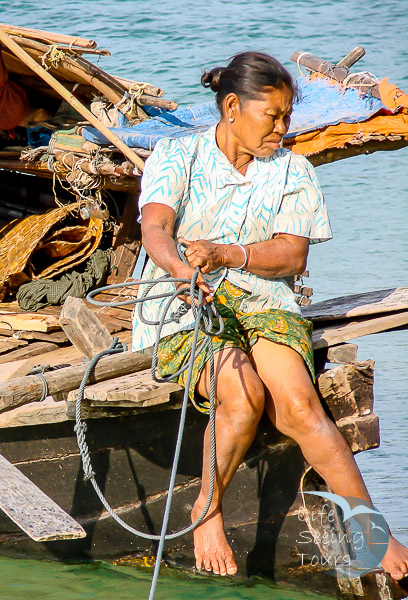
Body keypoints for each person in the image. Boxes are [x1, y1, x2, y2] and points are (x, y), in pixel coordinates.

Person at [133, 51, 408, 579]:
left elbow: (292, 255)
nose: (283, 127)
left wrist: (228, 254)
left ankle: (373, 529)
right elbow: (156, 231)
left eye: (288, 116)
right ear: (232, 107)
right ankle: (206, 510)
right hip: (184, 306)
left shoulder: (293, 169)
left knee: (301, 406)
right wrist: (179, 272)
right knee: (243, 392)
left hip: (266, 301)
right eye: (273, 116)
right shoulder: (176, 155)